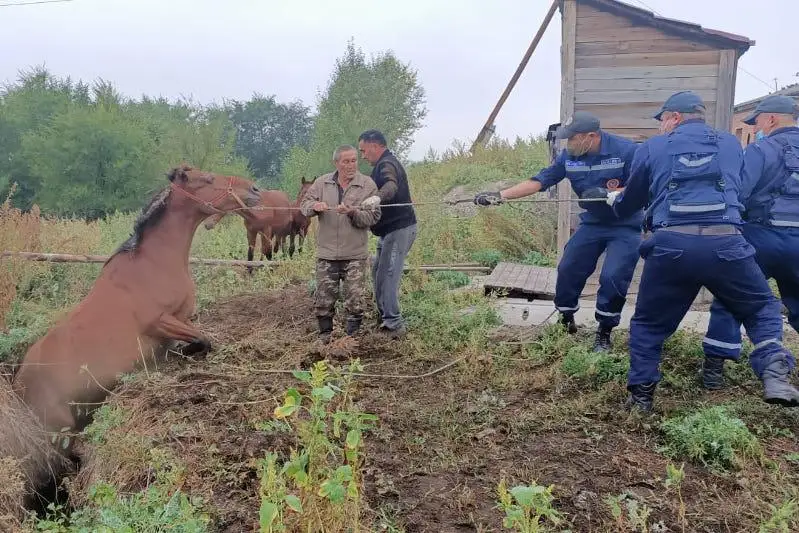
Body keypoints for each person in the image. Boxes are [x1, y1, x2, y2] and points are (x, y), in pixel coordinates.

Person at [597, 90, 799, 411]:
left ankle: (641, 398)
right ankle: (774, 368)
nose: (661, 126)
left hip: (671, 246)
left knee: (649, 324)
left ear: (675, 117)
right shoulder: (733, 144)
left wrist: (615, 201)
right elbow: (739, 187)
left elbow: (631, 203)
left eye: (663, 119)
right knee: (761, 309)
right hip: (727, 244)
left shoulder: (652, 147)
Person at [473, 111, 642, 352]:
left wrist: (612, 194)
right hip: (593, 222)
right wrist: (499, 196)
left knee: (613, 276)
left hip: (625, 224)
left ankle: (604, 331)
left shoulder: (627, 151)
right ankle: (566, 319)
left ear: (591, 136)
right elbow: (541, 181)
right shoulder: (570, 157)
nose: (568, 143)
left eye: (572, 138)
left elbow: (644, 185)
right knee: (568, 268)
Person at [700, 95, 799, 389]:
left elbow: (740, 192)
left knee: (734, 296)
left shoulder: (761, 149)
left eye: (757, 122)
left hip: (761, 237)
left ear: (771, 119)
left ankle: (714, 372)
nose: (757, 127)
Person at [300, 145, 382, 344]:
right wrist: (314, 207)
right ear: (336, 163)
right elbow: (304, 205)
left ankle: (349, 340)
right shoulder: (322, 183)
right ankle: (325, 338)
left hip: (355, 254)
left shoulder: (367, 185)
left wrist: (352, 212)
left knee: (355, 299)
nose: (351, 165)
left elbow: (374, 217)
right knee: (324, 299)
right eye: (346, 161)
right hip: (327, 254)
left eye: (354, 160)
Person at [357, 130, 418, 338]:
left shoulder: (386, 164)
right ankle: (384, 316)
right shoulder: (381, 164)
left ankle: (393, 325)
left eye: (364, 150)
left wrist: (377, 198)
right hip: (388, 231)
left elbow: (391, 185)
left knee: (390, 273)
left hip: (399, 228)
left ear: (375, 146)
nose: (363, 156)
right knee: (377, 272)